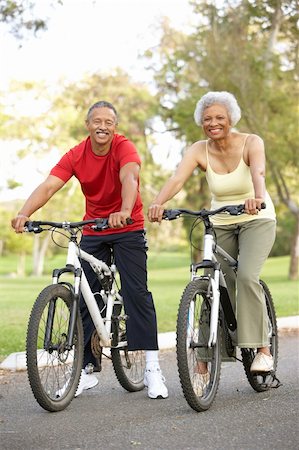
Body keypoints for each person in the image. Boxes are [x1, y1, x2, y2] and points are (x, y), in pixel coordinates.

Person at [11, 100, 168, 400]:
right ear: (87, 124)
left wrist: (123, 209)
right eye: (97, 120)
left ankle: (151, 368)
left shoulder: (124, 148)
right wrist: (24, 213)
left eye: (109, 122)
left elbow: (129, 177)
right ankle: (85, 370)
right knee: (84, 295)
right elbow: (48, 186)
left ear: (115, 127)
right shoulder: (76, 154)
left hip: (127, 226)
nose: (102, 126)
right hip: (94, 227)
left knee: (136, 293)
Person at [148, 91, 276, 393]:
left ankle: (263, 350)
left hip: (256, 218)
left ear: (231, 118)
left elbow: (258, 171)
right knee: (211, 283)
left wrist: (257, 197)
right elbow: (178, 179)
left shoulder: (251, 142)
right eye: (207, 119)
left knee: (245, 276)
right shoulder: (199, 150)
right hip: (220, 220)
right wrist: (158, 202)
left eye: (219, 117)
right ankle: (204, 359)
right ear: (201, 123)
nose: (213, 123)